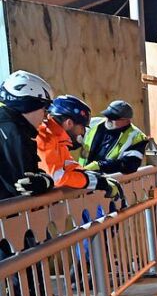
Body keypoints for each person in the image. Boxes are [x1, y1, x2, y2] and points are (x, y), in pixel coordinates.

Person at [36, 95, 120, 197]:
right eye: (82, 127)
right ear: (69, 123)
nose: (83, 132)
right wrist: (97, 182)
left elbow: (70, 167)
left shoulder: (58, 139)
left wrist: (98, 177)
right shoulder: (45, 137)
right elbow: (57, 177)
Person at [0, 70, 54, 200]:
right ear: (29, 105)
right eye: (44, 108)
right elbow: (23, 184)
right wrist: (46, 182)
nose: (46, 116)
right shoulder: (13, 134)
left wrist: (44, 180)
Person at [79, 100, 149, 175]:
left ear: (127, 121)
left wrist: (100, 165)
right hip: (83, 175)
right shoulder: (93, 124)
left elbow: (130, 165)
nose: (108, 119)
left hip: (109, 181)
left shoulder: (137, 137)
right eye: (108, 115)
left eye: (113, 118)